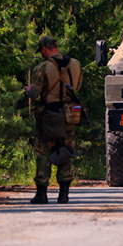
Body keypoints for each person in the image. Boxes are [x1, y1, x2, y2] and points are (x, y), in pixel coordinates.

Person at [24, 35, 83, 204]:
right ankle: (64, 193)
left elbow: (35, 93)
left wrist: (28, 90)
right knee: (66, 149)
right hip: (71, 114)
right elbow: (77, 87)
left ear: (44, 49)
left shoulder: (43, 67)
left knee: (43, 151)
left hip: (50, 115)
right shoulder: (75, 64)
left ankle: (41, 193)